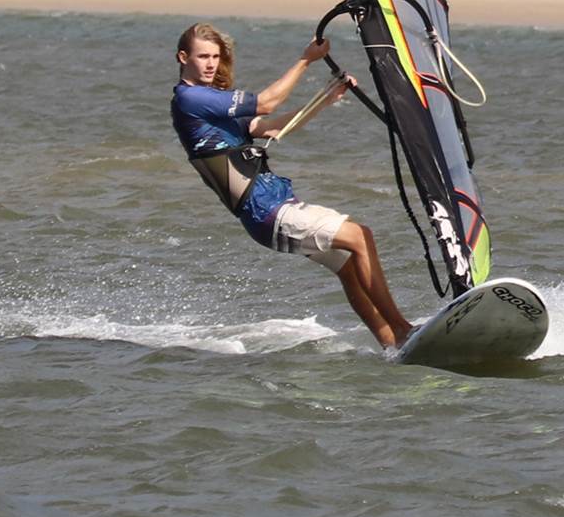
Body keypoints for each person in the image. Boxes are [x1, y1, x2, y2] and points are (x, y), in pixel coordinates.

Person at [169, 21, 416, 349]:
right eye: (203, 57)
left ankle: (391, 344)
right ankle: (402, 329)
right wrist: (305, 60)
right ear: (183, 58)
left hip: (277, 205)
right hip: (266, 211)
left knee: (348, 266)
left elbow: (271, 127)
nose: (212, 64)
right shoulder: (190, 99)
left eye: (215, 56)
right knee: (360, 236)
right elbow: (266, 103)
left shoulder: (213, 101)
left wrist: (325, 98)